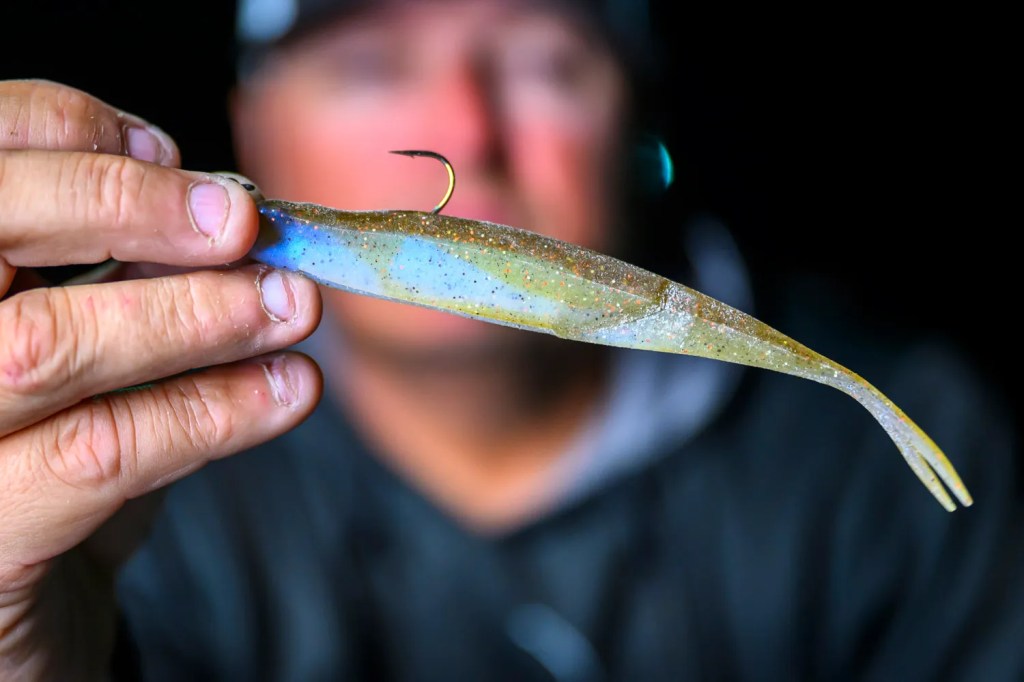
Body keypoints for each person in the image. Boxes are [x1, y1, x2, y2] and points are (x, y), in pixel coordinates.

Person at [0, 0, 1021, 680]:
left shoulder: (892, 467)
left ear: (635, 118)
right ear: (250, 125)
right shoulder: (137, 490)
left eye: (544, 63)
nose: (467, 128)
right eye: (369, 64)